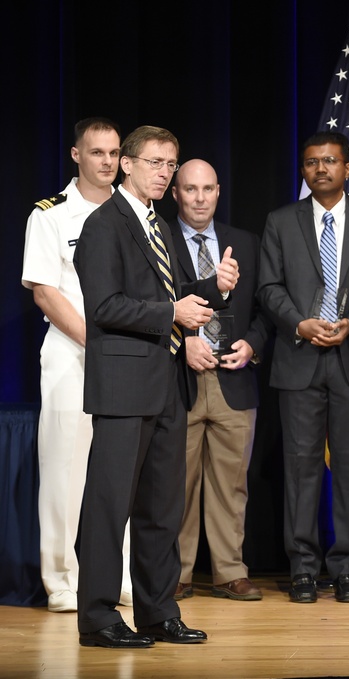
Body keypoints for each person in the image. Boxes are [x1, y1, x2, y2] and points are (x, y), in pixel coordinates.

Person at [74, 125, 239, 648]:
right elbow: (104, 306)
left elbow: (171, 292)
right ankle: (98, 618)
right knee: (109, 506)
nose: (165, 173)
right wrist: (172, 311)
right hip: (124, 387)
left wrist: (212, 287)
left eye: (171, 164)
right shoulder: (104, 225)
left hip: (167, 384)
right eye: (155, 163)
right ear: (127, 164)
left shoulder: (156, 226)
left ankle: (157, 611)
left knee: (161, 509)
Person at [258, 131, 349, 604]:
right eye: (312, 162)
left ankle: (345, 567)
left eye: (331, 161)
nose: (321, 169)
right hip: (298, 360)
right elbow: (268, 287)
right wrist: (300, 324)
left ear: (348, 168)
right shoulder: (281, 221)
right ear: (303, 169)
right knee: (300, 469)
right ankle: (302, 567)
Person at [21, 117, 132, 613]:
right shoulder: (50, 216)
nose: (107, 162)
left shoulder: (134, 214)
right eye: (97, 153)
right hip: (74, 357)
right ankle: (62, 580)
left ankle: (118, 578)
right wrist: (99, 343)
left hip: (129, 361)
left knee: (121, 475)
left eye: (114, 154)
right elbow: (45, 292)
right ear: (76, 155)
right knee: (67, 474)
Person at [169, 160, 272, 602]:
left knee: (232, 483)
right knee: (177, 482)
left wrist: (252, 343)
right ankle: (177, 574)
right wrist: (182, 339)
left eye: (207, 189)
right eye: (190, 189)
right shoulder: (157, 239)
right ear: (175, 193)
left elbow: (266, 308)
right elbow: (151, 302)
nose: (198, 198)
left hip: (234, 379)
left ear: (218, 191)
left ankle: (231, 571)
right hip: (180, 380)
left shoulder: (245, 243)